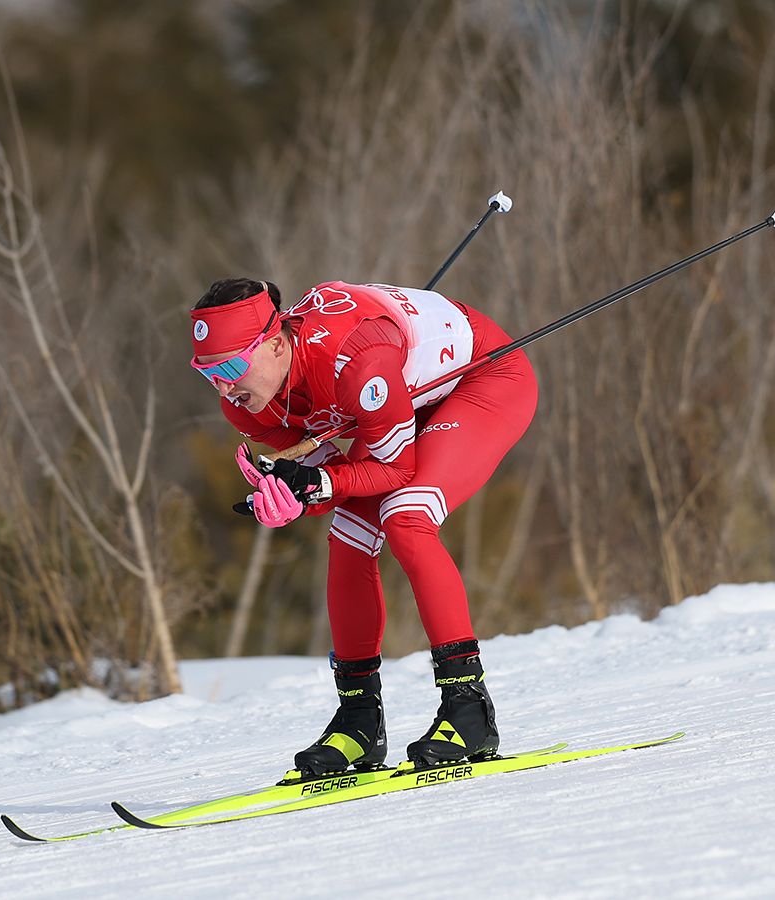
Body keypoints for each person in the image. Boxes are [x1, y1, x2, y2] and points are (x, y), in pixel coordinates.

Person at [189, 278, 537, 778]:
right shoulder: (247, 401)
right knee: (349, 537)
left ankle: (469, 708)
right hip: (398, 401)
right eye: (206, 373)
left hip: (481, 379)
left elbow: (391, 471)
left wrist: (318, 484)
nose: (222, 387)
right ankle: (359, 721)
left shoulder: (353, 359)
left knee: (406, 517)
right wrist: (294, 498)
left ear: (275, 343)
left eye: (228, 367)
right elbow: (330, 481)